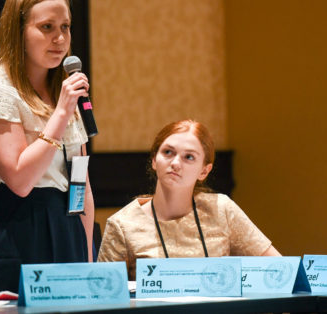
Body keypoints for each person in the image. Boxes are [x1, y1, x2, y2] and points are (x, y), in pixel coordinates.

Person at [0, 0, 94, 293]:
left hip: (67, 224)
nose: (59, 39)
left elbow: (81, 185)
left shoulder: (65, 91)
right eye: (46, 27)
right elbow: (20, 181)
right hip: (16, 226)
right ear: (17, 31)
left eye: (65, 26)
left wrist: (88, 261)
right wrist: (60, 114)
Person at [98, 119, 280, 280]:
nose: (176, 163)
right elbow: (104, 299)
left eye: (189, 157)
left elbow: (279, 269)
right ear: (154, 160)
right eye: (168, 152)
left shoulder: (221, 209)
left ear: (204, 171)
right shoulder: (122, 225)